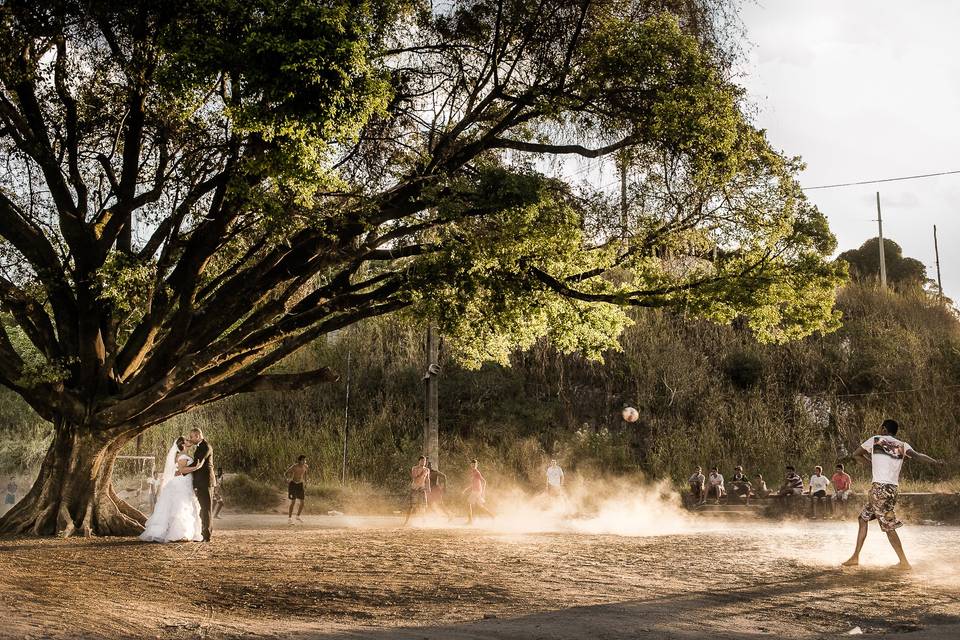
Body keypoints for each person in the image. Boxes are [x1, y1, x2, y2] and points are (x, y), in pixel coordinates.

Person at [843, 419, 942, 569]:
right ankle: (855, 556)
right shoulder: (903, 445)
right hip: (891, 489)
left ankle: (904, 562)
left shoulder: (875, 440)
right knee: (863, 518)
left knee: (889, 527)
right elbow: (917, 456)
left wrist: (870, 463)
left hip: (879, 490)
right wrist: (935, 462)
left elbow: (856, 454)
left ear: (883, 429)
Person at [140, 436, 205, 543]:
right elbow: (182, 469)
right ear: (183, 445)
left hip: (185, 482)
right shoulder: (182, 456)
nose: (190, 441)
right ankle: (179, 533)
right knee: (181, 507)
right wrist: (196, 467)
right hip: (181, 483)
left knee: (183, 506)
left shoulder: (183, 455)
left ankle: (182, 532)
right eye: (187, 440)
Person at [179, 428, 215, 542]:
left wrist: (183, 471)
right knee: (202, 508)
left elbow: (197, 463)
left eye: (192, 437)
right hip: (200, 482)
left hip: (205, 482)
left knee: (206, 508)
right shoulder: (199, 446)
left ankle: (206, 535)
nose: (190, 439)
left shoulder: (205, 446)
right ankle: (203, 532)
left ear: (198, 436)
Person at [463, 459, 495, 524]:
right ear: (470, 464)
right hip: (476, 491)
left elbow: (484, 481)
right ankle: (492, 516)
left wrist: (483, 492)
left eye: (474, 464)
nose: (473, 465)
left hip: (476, 491)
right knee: (481, 506)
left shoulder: (477, 472)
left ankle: (470, 521)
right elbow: (473, 484)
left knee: (468, 504)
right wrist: (466, 489)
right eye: (472, 464)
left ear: (476, 465)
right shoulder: (472, 472)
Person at [403, 456, 431, 526]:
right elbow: (415, 478)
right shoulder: (414, 468)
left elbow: (427, 479)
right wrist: (422, 473)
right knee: (411, 506)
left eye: (424, 461)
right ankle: (406, 521)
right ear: (419, 461)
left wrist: (429, 487)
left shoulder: (427, 470)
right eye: (422, 461)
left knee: (423, 506)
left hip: (422, 489)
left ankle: (423, 521)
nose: (423, 462)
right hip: (414, 489)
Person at [286, 455, 309, 524]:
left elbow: (305, 475)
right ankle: (289, 519)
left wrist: (306, 482)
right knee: (293, 502)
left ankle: (297, 516)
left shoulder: (306, 466)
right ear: (299, 461)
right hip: (293, 484)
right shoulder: (294, 466)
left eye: (304, 460)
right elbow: (286, 473)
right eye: (302, 460)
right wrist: (287, 479)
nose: (304, 461)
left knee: (302, 502)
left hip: (300, 485)